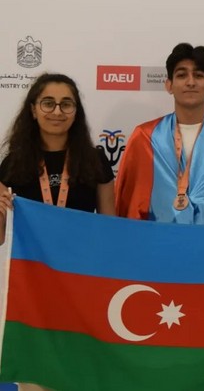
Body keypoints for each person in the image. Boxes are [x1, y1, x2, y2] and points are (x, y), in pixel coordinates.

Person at [0, 73, 114, 391]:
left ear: (76, 111)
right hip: (32, 287)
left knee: (81, 372)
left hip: (82, 282)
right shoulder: (13, 164)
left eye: (66, 104)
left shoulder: (95, 161)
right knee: (36, 378)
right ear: (33, 109)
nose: (57, 111)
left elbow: (110, 228)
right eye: (48, 103)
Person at [115, 43, 204, 224]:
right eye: (182, 75)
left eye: (198, 75)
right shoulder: (145, 138)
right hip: (154, 239)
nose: (190, 82)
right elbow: (125, 205)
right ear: (169, 85)